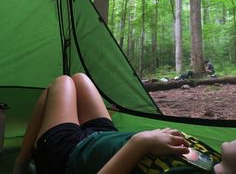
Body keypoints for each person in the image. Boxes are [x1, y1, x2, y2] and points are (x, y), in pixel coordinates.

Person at [13, 73, 235, 174]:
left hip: (70, 154)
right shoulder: (216, 158)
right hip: (104, 137)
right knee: (80, 78)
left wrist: (140, 142)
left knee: (61, 83)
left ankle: (23, 162)